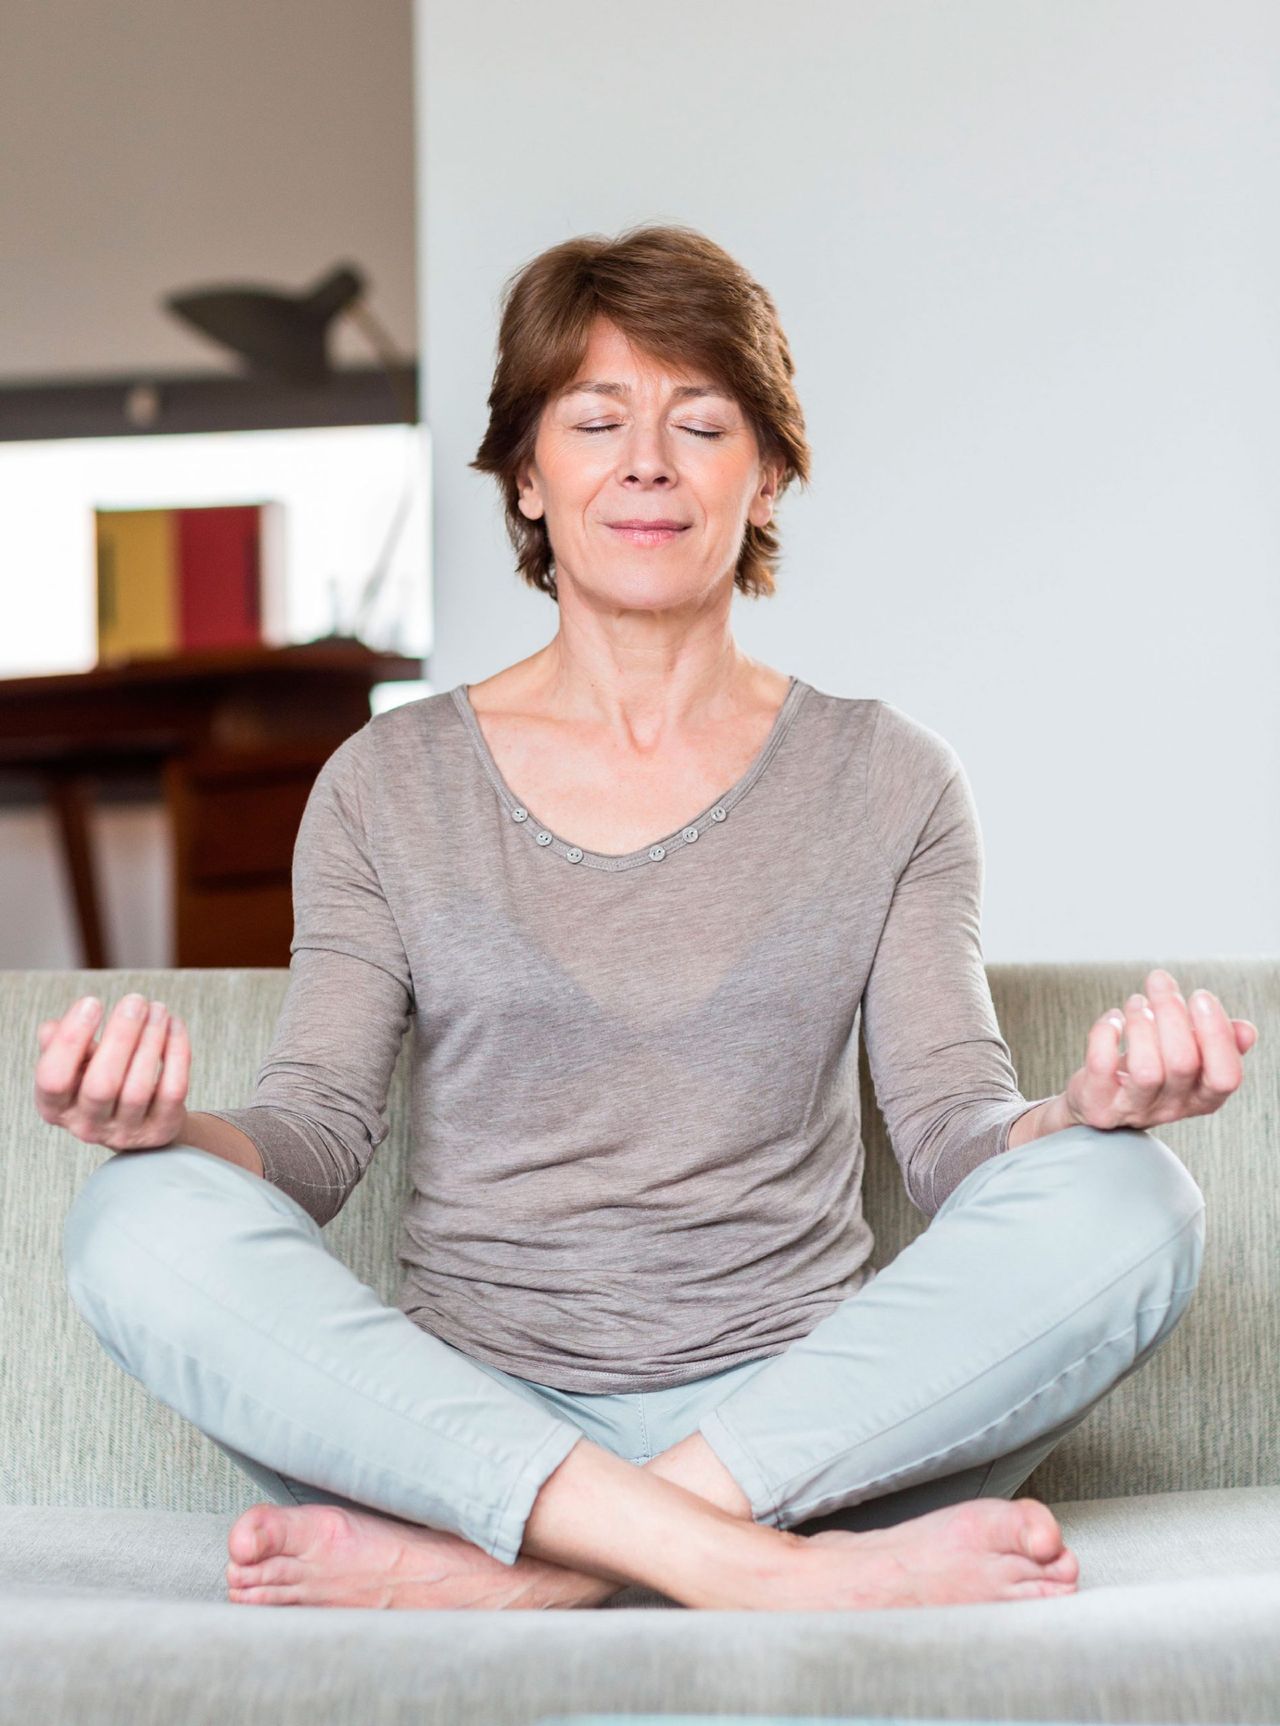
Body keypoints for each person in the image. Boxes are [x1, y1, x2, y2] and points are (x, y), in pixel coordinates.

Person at [41, 223, 1254, 1614]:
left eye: (702, 420)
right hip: (459, 1420)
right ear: (527, 473)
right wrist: (166, 1130)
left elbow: (955, 1140)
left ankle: (533, 1574)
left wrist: (1087, 1107)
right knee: (133, 1218)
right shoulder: (387, 781)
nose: (647, 461)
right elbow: (314, 1135)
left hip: (798, 1426)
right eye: (595, 417)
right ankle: (767, 1575)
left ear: (771, 467)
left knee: (1135, 1195)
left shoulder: (893, 776)